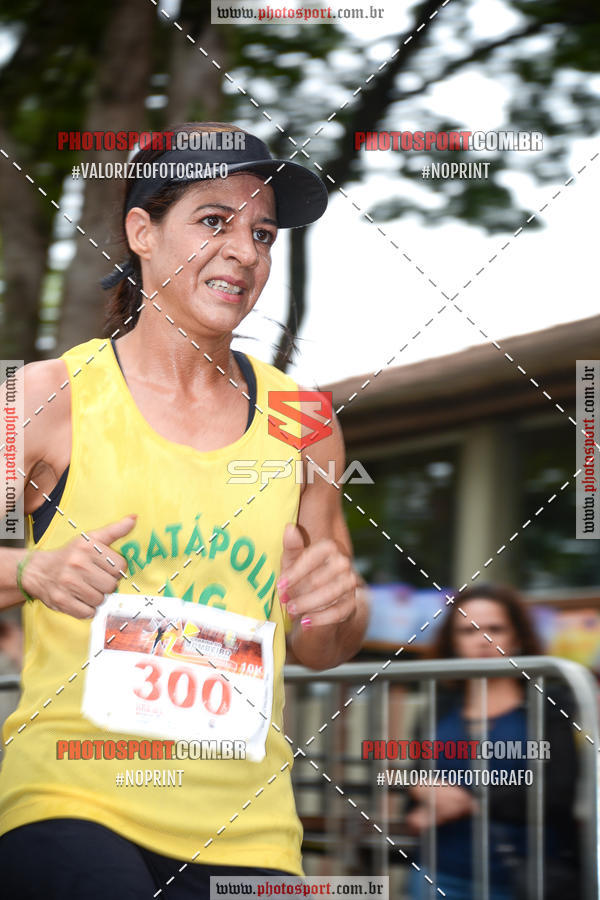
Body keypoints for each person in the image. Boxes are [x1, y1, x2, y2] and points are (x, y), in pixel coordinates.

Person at [0, 122, 369, 899]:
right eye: (214, 221)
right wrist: (35, 568)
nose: (246, 251)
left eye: (262, 233)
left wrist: (337, 605)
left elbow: (324, 646)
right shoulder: (40, 398)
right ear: (141, 232)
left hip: (248, 822)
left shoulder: (306, 420)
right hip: (73, 798)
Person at [407, 583, 580, 900]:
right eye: (468, 631)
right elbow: (416, 779)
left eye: (495, 629)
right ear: (453, 641)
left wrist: (467, 800)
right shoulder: (439, 707)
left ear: (517, 637)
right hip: (437, 875)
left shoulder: (549, 704)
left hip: (525, 881)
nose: (482, 640)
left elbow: (557, 791)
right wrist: (418, 788)